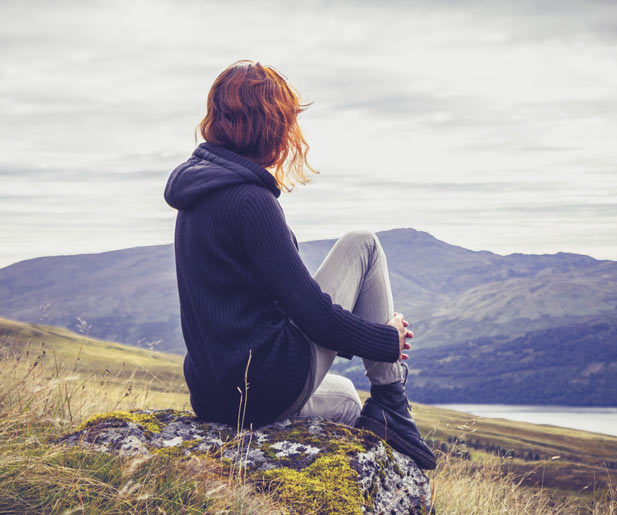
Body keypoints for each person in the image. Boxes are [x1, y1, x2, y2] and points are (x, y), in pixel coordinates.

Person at [164, 60, 436, 469]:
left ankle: (377, 422)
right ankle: (391, 402)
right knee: (363, 244)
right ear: (267, 125)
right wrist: (386, 340)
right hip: (263, 385)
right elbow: (313, 315)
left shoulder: (196, 194)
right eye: (285, 121)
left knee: (344, 397)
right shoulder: (251, 202)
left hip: (214, 396)